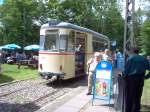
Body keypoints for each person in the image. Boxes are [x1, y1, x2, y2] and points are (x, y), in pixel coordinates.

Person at [120, 47, 149, 112]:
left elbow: (126, 70)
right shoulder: (144, 59)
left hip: (131, 80)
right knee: (138, 96)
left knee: (129, 96)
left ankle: (128, 110)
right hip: (140, 79)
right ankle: (136, 110)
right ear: (138, 52)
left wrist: (123, 75)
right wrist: (146, 77)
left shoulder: (130, 58)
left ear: (132, 52)